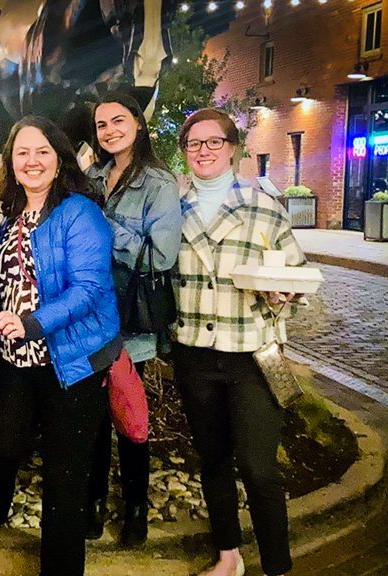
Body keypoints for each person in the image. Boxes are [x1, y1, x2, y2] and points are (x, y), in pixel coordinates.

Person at [0, 116, 122, 576]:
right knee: (0, 443)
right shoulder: (11, 214)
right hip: (18, 359)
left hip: (72, 360)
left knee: (64, 477)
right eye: (22, 152)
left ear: (59, 160)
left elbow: (89, 288)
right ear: (10, 162)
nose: (32, 160)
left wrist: (33, 322)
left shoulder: (80, 212)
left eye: (42, 151)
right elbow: (9, 281)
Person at [173, 108, 307, 576]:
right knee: (212, 459)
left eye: (213, 142)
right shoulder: (175, 208)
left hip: (250, 351)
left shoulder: (263, 204)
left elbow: (294, 270)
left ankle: (276, 565)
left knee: (258, 467)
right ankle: (228, 555)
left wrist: (283, 290)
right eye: (194, 144)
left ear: (232, 148)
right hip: (194, 352)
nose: (203, 151)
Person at [84, 92, 182, 545]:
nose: (109, 131)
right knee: (94, 416)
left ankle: (136, 509)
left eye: (118, 121)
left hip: (130, 316)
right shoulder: (93, 176)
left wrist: (104, 226)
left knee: (129, 410)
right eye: (102, 125)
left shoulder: (159, 182)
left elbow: (161, 254)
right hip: (90, 312)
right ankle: (96, 502)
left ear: (138, 124)